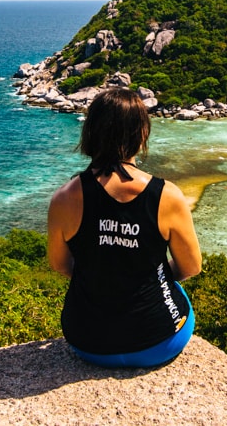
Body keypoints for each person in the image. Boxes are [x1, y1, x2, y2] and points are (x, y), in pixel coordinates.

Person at [47, 87, 202, 368]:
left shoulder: (64, 198)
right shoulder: (166, 195)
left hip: (87, 342)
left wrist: (103, 276)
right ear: (142, 135)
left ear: (90, 133)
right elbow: (191, 267)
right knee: (177, 294)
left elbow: (59, 265)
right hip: (159, 342)